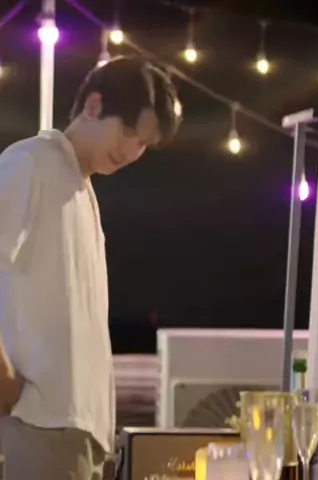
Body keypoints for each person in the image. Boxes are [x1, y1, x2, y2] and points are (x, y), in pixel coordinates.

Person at [0, 55, 181, 479]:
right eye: (129, 132)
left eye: (143, 145)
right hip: (38, 420)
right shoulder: (30, 162)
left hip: (81, 426)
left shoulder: (82, 187)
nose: (131, 151)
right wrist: (2, 373)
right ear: (94, 105)